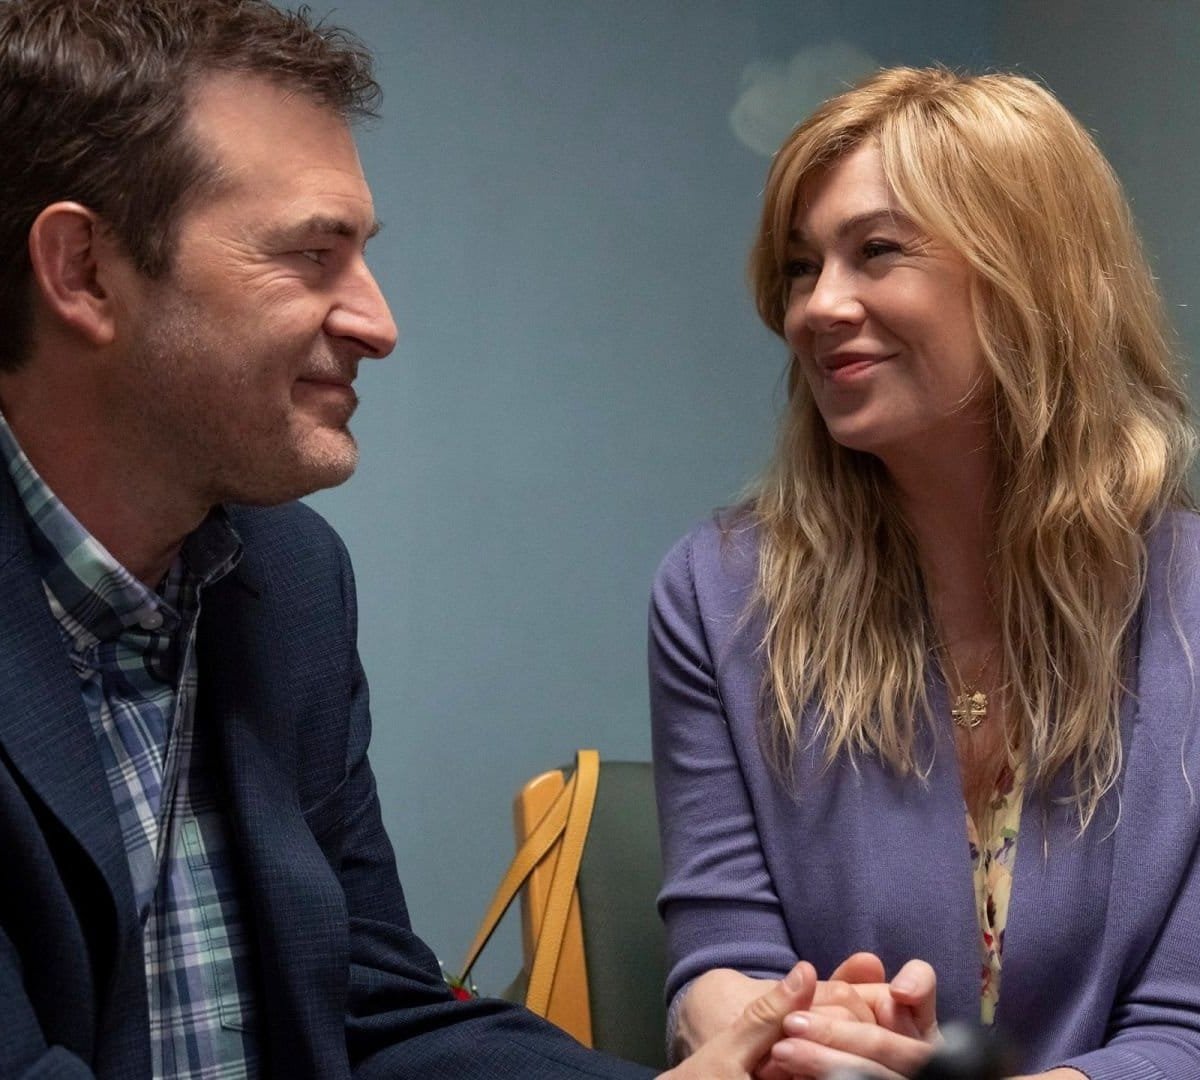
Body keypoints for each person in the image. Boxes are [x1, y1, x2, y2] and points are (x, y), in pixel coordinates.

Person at [0, 0, 831, 1076]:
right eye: (312, 254)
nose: (379, 324)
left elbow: (372, 1006)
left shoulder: (289, 578)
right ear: (82, 271)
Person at [650, 66, 1200, 1080]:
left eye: (877, 251)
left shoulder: (1188, 603)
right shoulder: (718, 594)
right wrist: (801, 1028)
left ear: (1029, 273)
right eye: (801, 267)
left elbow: (1188, 1025)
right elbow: (718, 955)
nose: (818, 307)